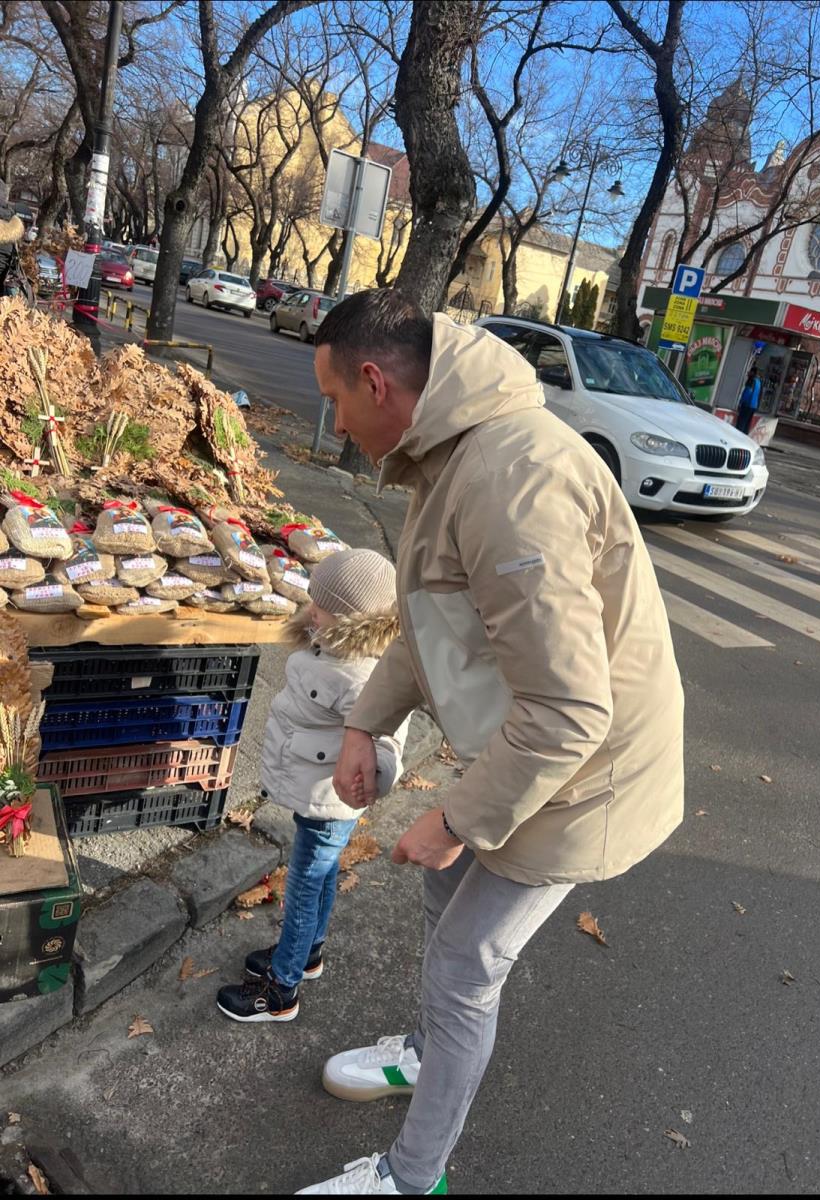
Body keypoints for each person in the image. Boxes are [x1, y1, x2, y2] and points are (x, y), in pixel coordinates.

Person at [296, 290, 685, 1195]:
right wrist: (366, 719)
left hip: (585, 775)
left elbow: (569, 712)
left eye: (334, 400)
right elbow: (426, 615)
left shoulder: (511, 480)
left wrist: (456, 821)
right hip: (535, 748)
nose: (335, 420)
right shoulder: (453, 449)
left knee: (467, 962)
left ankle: (411, 1178)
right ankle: (427, 1054)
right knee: (444, 910)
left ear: (373, 381)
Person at [216, 548, 409, 1023]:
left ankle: (282, 989)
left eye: (319, 604)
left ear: (349, 617)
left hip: (331, 800)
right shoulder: (328, 645)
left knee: (304, 886)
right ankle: (309, 952)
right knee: (319, 878)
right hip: (315, 791)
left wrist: (373, 774)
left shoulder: (363, 673)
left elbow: (384, 738)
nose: (310, 609)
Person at [736, 365, 762, 433]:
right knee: (747, 424)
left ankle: (738, 437)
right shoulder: (758, 382)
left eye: (750, 371)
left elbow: (747, 392)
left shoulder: (751, 380)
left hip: (747, 404)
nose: (748, 373)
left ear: (753, 372)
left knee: (741, 423)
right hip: (753, 406)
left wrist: (741, 402)